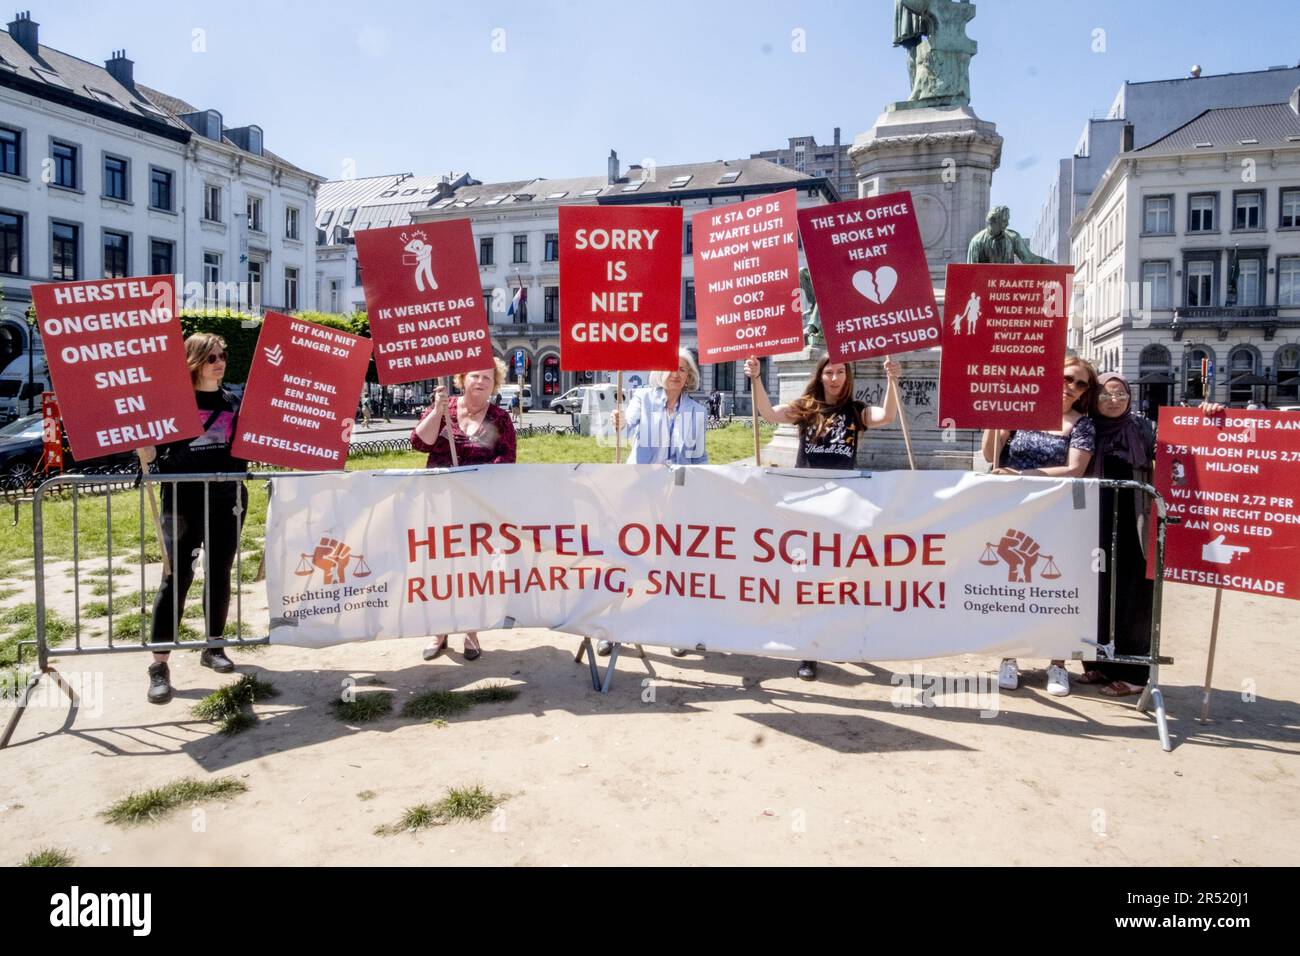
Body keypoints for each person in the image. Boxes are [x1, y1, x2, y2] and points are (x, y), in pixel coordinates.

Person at [747, 354, 901, 680]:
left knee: (837, 578)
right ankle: (808, 652)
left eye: (840, 372)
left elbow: (886, 415)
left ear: (847, 376)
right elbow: (769, 414)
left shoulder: (855, 412)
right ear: (820, 375)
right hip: (806, 508)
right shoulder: (806, 407)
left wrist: (892, 379)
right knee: (805, 578)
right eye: (829, 372)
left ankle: (831, 640)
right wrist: (757, 378)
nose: (834, 378)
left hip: (842, 508)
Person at [1081, 377, 1224, 696]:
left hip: (1136, 523)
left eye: (1120, 394)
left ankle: (1134, 675)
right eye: (1105, 393)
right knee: (1098, 593)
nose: (1113, 400)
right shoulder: (1087, 428)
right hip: (1094, 524)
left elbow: (1187, 441)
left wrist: (1206, 414)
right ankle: (1100, 664)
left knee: (1135, 596)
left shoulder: (1143, 429)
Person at [137, 334, 248, 704]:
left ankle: (213, 646)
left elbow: (251, 445)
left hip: (227, 500)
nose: (220, 361)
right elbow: (153, 454)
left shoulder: (234, 401)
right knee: (176, 577)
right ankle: (158, 666)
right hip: (180, 504)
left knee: (219, 572)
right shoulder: (173, 405)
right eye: (211, 356)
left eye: (223, 354)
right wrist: (147, 452)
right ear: (194, 361)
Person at [980, 355, 1097, 697]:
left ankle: (1058, 664)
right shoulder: (1020, 412)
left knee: (1057, 586)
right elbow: (991, 456)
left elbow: (1075, 469)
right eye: (1066, 378)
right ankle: (1009, 656)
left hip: (1060, 513)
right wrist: (995, 424)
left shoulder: (1082, 424)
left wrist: (1022, 475)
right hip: (1017, 511)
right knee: (1012, 582)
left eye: (1080, 383)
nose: (1071, 387)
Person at [597, 349, 708, 658]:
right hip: (639, 489)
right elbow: (625, 426)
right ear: (661, 373)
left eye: (683, 369)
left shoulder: (696, 412)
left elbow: (700, 458)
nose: (676, 372)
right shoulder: (643, 399)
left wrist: (708, 484)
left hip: (676, 494)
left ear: (689, 378)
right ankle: (611, 630)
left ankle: (671, 629)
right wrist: (618, 421)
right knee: (628, 559)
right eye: (672, 367)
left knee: (671, 565)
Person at [411, 358, 516, 662]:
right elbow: (419, 442)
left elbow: (506, 461)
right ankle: (439, 630)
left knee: (473, 571)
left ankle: (471, 629)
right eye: (475, 376)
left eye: (487, 377)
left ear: (494, 384)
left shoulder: (500, 419)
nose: (480, 382)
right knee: (440, 570)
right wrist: (436, 411)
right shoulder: (445, 408)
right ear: (462, 378)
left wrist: (475, 483)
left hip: (477, 509)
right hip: (438, 506)